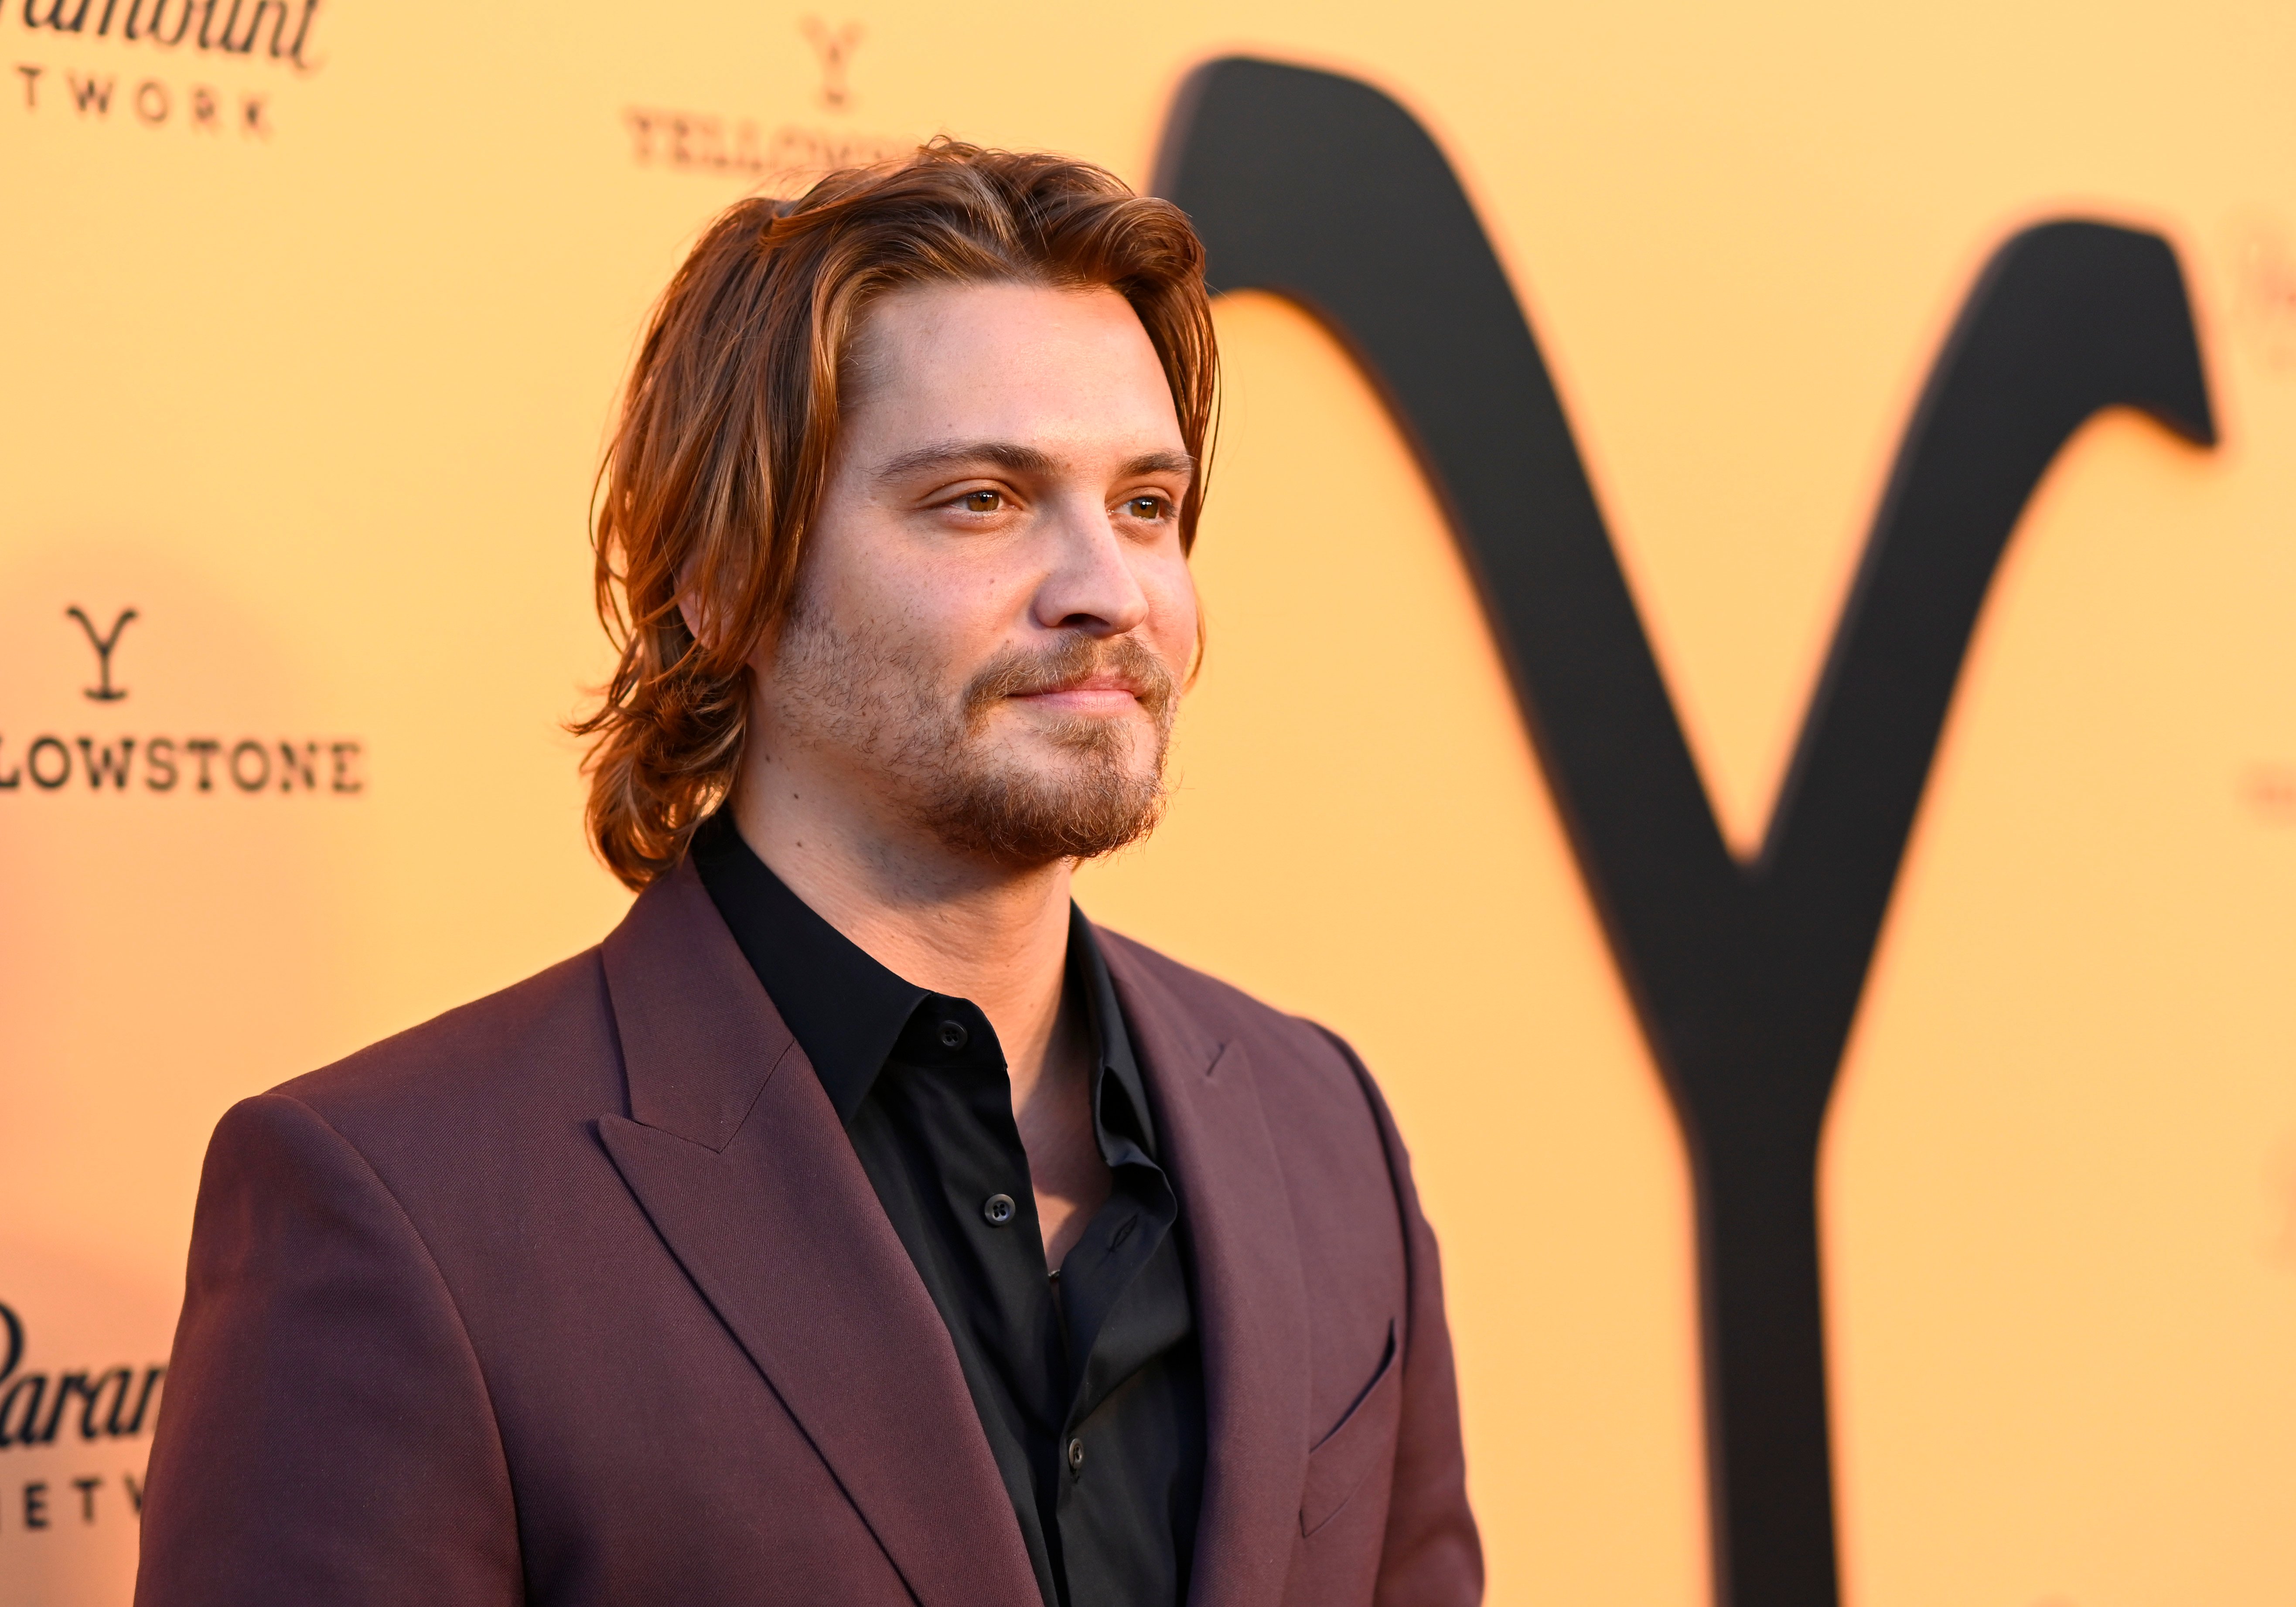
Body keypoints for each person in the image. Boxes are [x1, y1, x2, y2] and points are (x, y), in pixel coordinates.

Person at [134, 142, 1481, 1607]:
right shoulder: (405, 1207)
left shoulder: (1319, 1127)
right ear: (723, 575)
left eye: (1146, 505)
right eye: (981, 499)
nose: (1108, 588)